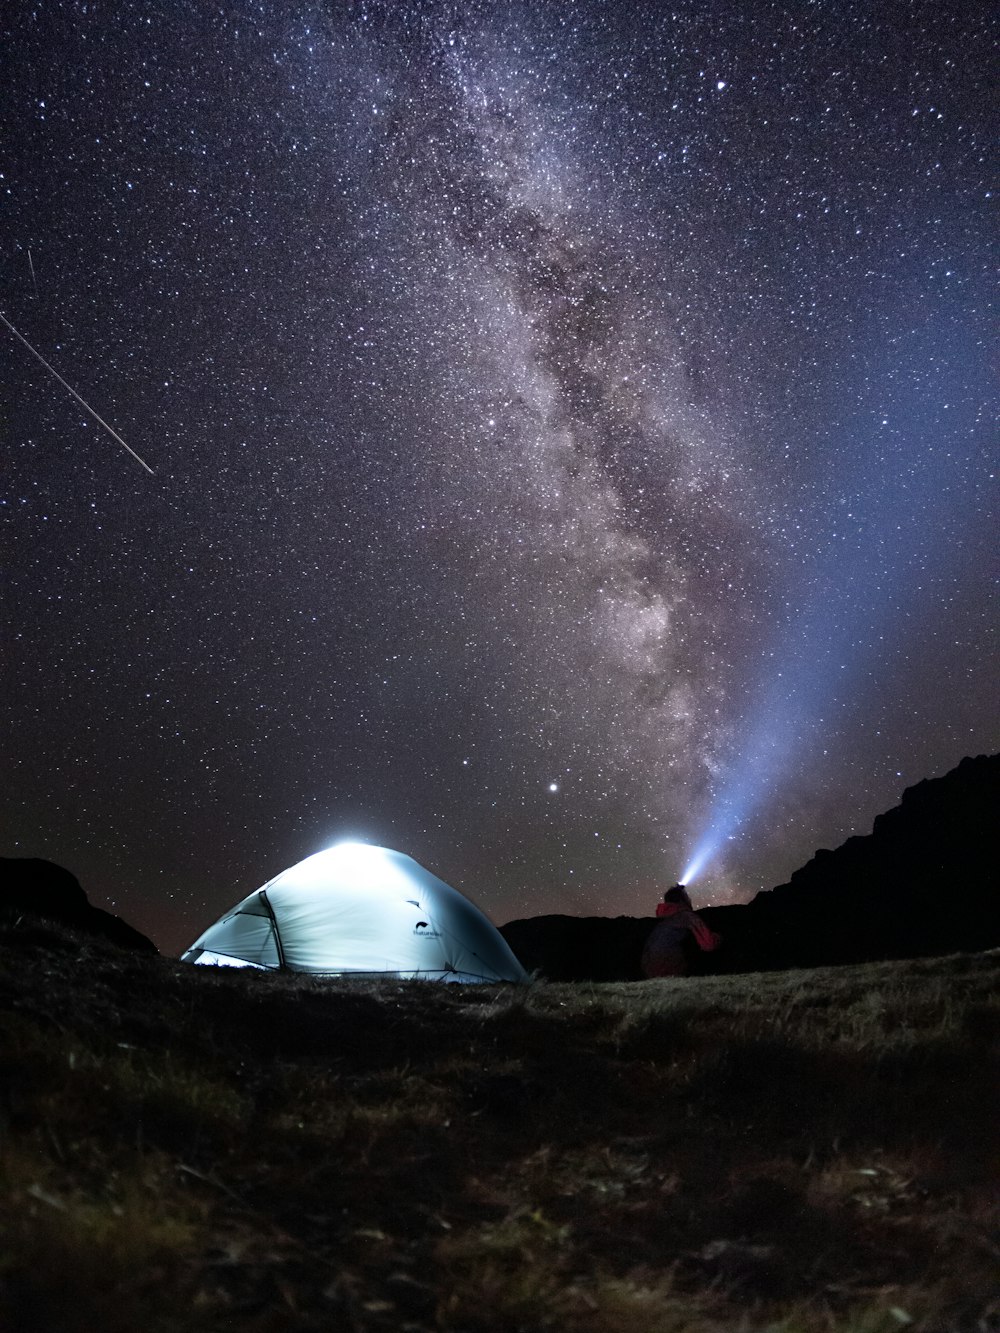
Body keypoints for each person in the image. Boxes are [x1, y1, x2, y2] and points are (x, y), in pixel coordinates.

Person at [640, 884, 721, 978]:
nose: (690, 900)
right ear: (682, 900)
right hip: (670, 965)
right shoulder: (686, 916)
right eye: (687, 897)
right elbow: (708, 944)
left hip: (649, 967)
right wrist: (719, 938)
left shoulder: (663, 920)